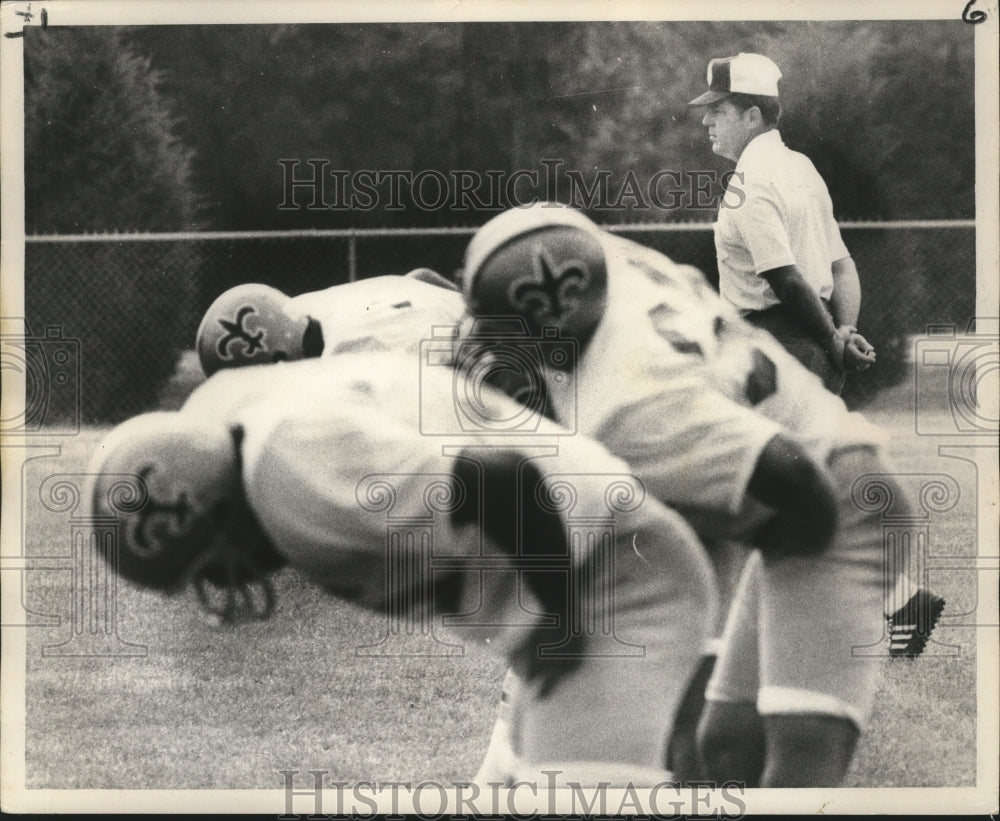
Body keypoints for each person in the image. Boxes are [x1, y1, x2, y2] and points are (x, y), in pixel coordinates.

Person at [459, 203, 937, 787]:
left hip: (840, 505)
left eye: (513, 347)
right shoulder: (617, 267)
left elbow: (799, 487)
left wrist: (786, 579)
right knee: (725, 745)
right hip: (777, 491)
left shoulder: (629, 404)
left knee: (798, 764)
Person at [89, 350, 721, 788]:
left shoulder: (287, 472)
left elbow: (503, 482)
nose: (221, 588)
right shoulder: (246, 432)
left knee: (572, 794)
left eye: (210, 568)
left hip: (615, 578)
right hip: (579, 576)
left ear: (222, 516)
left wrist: (559, 623)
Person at [687, 52, 876, 396]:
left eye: (718, 112)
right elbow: (842, 268)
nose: (706, 122)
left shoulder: (751, 180)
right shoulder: (801, 166)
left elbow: (786, 280)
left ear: (752, 116)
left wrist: (834, 340)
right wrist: (844, 331)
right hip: (819, 341)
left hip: (778, 350)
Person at [194, 269, 464, 376]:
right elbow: (421, 276)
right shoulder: (309, 307)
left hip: (480, 350)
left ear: (278, 359)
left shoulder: (347, 362)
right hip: (466, 312)